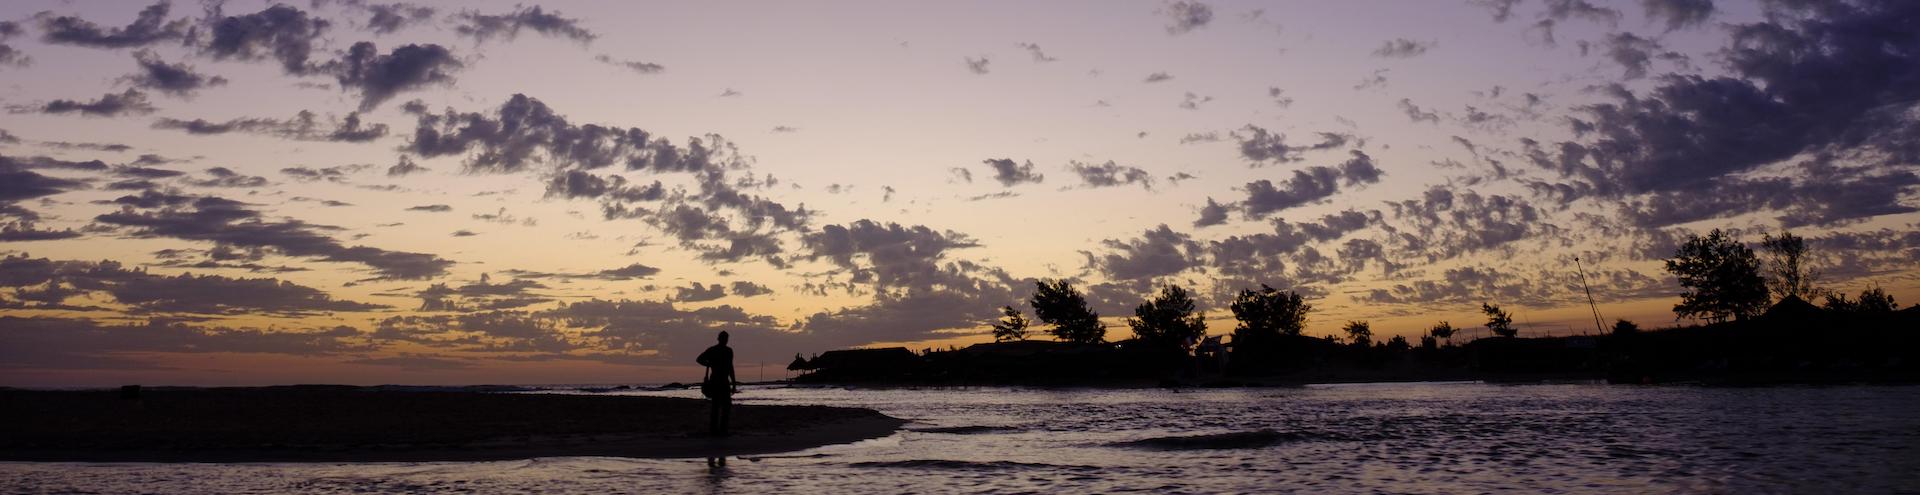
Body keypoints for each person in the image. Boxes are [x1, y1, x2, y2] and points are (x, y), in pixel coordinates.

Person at [695, 331, 738, 436]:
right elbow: (699, 359)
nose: (725, 340)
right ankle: (718, 430)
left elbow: (730, 368)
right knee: (720, 407)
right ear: (720, 339)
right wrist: (709, 364)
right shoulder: (723, 350)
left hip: (720, 381)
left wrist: (733, 383)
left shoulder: (719, 350)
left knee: (721, 407)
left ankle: (718, 430)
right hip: (719, 381)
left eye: (726, 338)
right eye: (724, 338)